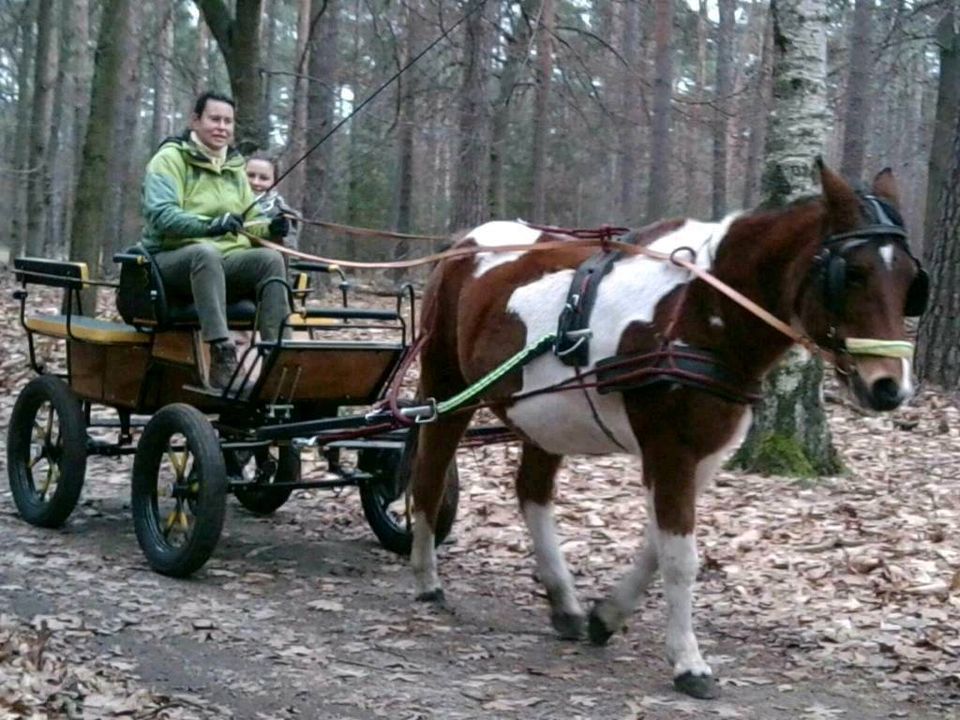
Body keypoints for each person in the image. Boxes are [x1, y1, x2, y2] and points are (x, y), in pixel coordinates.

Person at [140, 91, 292, 390]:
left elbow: (248, 224)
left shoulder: (234, 166)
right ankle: (222, 353)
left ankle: (279, 356)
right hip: (170, 260)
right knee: (204, 253)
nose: (222, 127)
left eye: (228, 121)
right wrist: (213, 226)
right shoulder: (169, 159)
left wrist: (271, 228)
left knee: (269, 259)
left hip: (223, 262)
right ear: (195, 120)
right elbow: (162, 216)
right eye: (215, 119)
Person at [245, 154, 300, 251]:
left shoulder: (284, 214)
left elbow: (289, 254)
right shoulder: (223, 201)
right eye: (250, 175)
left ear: (274, 182)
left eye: (264, 178)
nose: (255, 182)